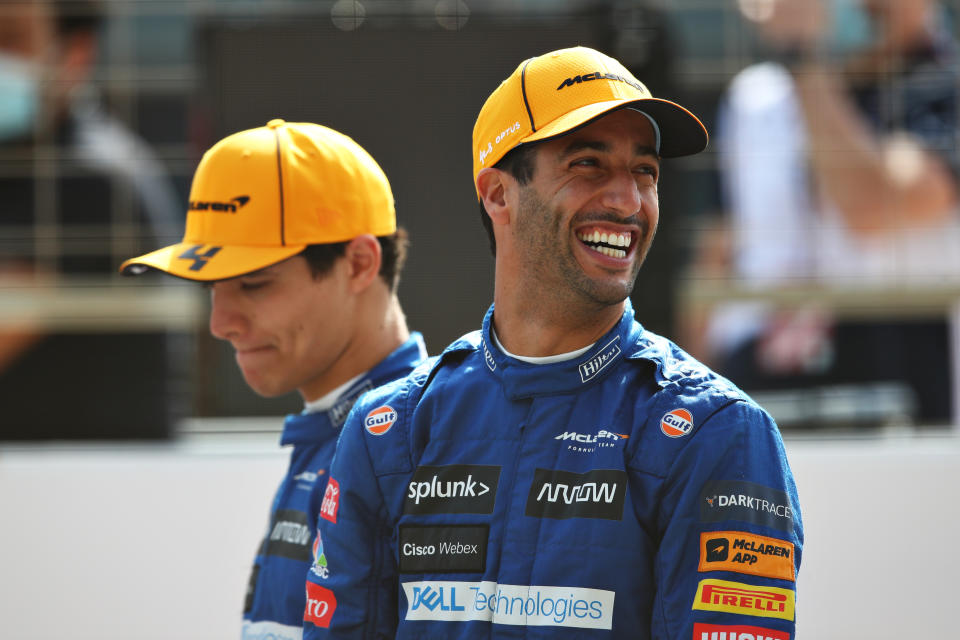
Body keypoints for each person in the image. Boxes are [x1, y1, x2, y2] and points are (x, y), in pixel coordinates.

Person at [303, 47, 802, 638]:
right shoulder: (392, 427)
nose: (628, 200)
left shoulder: (717, 432)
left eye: (645, 172)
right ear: (497, 195)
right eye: (588, 164)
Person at [120, 118, 428, 640]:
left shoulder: (414, 445)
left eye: (254, 284)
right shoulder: (337, 430)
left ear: (357, 264)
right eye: (212, 288)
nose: (220, 324)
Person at [700, 0, 960, 424]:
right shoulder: (756, 99)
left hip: (906, 387)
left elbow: (871, 206)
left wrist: (804, 58)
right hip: (761, 378)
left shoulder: (944, 83)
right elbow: (717, 254)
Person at [0, 0, 182, 439]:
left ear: (75, 53)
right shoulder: (25, 160)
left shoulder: (90, 175)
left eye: (10, 37)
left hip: (91, 490)